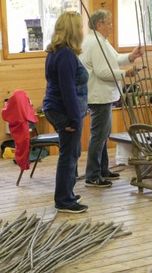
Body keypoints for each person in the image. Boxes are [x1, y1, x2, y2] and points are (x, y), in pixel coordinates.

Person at [80, 9, 143, 188]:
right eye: (108, 23)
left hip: (101, 95)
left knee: (102, 134)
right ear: (99, 24)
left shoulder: (100, 41)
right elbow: (103, 71)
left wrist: (131, 56)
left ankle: (102, 170)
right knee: (99, 136)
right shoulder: (95, 43)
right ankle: (93, 176)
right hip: (99, 96)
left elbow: (114, 59)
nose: (111, 26)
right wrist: (126, 73)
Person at [43, 11, 88, 213]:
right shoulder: (66, 55)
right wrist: (74, 119)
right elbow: (67, 90)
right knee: (68, 155)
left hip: (58, 108)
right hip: (64, 110)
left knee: (72, 152)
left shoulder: (56, 52)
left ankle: (67, 193)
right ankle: (63, 200)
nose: (82, 30)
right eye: (79, 27)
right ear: (73, 30)